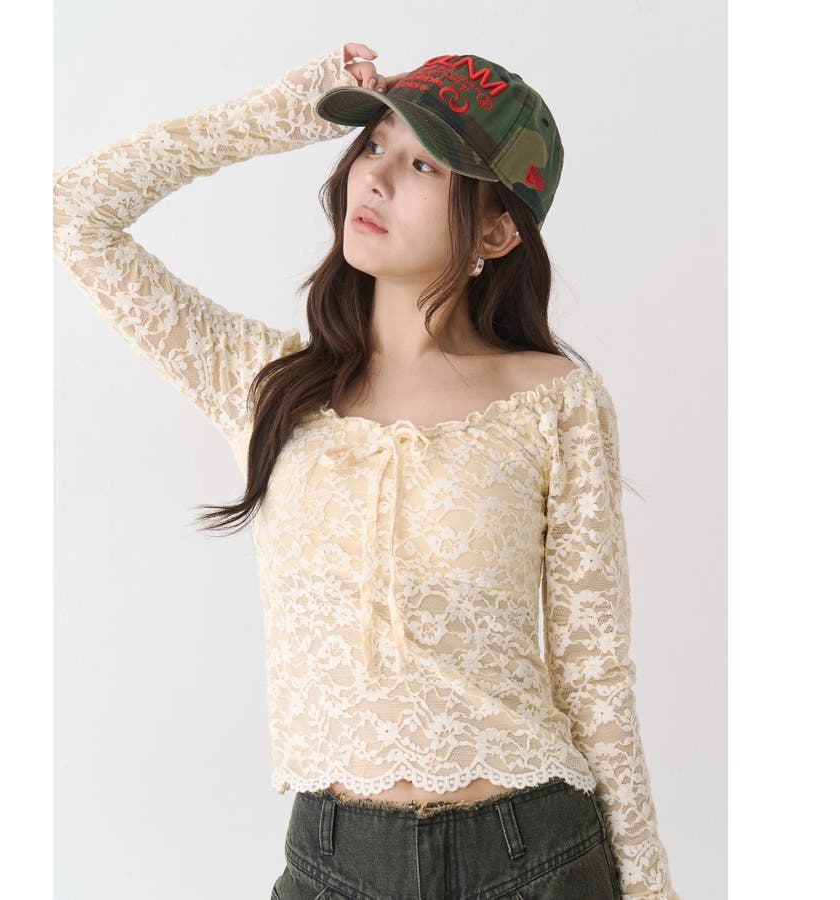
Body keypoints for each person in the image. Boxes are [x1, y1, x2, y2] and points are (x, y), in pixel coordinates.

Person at [53, 39, 680, 899]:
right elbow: (73, 212)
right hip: (332, 865)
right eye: (374, 144)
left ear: (497, 229)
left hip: (532, 857)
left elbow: (594, 671)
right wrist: (286, 111)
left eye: (423, 164)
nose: (375, 178)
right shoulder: (265, 385)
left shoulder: (555, 401)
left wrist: (648, 887)